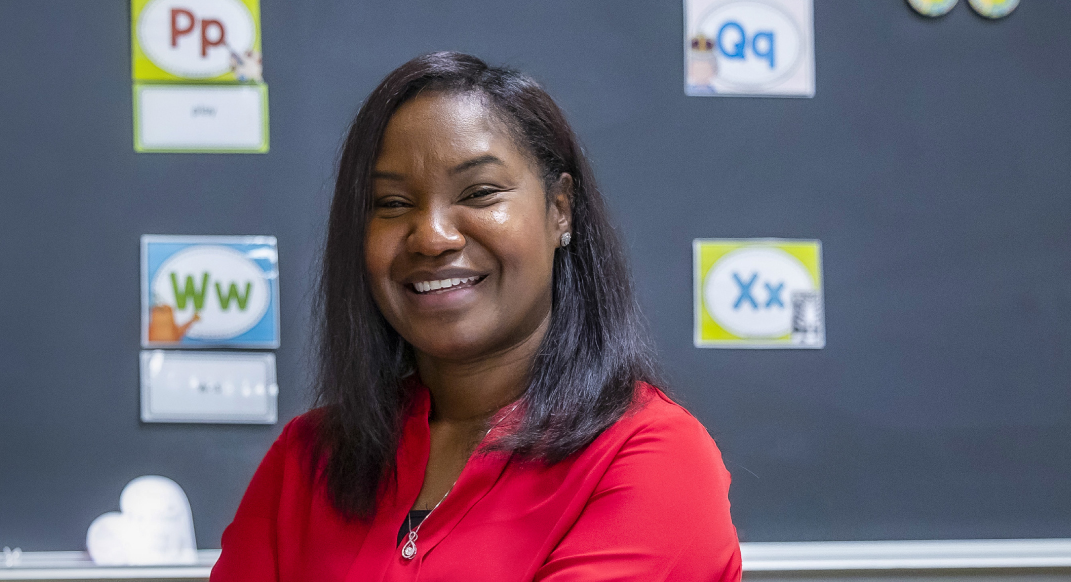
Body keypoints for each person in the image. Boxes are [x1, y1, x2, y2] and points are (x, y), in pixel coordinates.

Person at [211, 52, 740, 581]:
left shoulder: (651, 457)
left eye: (480, 193)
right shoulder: (309, 460)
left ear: (561, 209)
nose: (433, 236)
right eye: (392, 203)